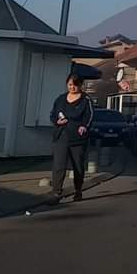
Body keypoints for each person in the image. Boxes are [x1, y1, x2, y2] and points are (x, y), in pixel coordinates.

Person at [47, 72, 94, 205]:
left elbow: (89, 116)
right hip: (61, 136)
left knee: (78, 166)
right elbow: (53, 114)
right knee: (58, 165)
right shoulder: (60, 99)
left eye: (75, 85)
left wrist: (84, 126)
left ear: (80, 85)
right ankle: (56, 193)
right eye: (69, 85)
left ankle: (78, 190)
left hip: (77, 138)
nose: (72, 87)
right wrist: (57, 121)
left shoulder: (86, 100)